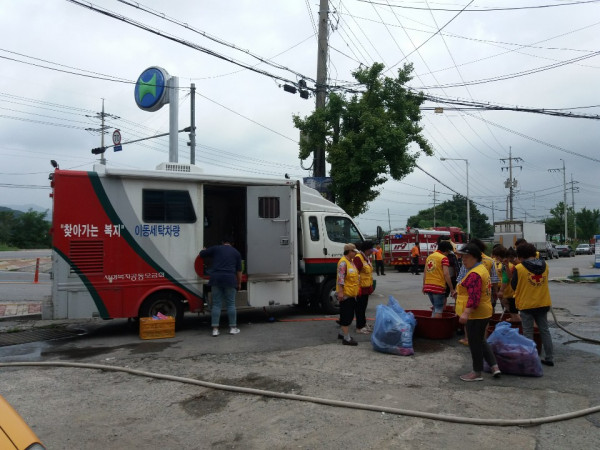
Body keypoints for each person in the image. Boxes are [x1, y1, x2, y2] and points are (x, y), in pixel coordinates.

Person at [455, 243, 501, 381]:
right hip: (484, 311)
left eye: (466, 257)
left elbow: (474, 298)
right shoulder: (481, 269)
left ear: (475, 258)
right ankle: (494, 367)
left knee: (474, 343)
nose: (463, 260)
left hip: (476, 314)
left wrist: (465, 313)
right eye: (462, 257)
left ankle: (476, 372)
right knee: (481, 341)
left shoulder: (475, 273)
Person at [511, 243, 555, 366]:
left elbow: (514, 285)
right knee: (544, 330)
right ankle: (549, 357)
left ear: (520, 255)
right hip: (543, 302)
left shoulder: (519, 268)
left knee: (528, 332)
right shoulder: (545, 265)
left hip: (527, 304)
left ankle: (529, 359)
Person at [199, 236, 243, 337]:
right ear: (232, 243)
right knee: (231, 304)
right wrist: (239, 283)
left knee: (216, 304)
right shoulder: (236, 252)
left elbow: (201, 254)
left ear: (222, 242)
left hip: (216, 279)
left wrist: (204, 250)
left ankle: (215, 330)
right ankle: (233, 328)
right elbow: (239, 271)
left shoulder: (216, 248)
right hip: (230, 279)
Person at [422, 240, 456, 318]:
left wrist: (424, 286)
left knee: (435, 308)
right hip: (438, 287)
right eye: (448, 252)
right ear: (446, 250)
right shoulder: (443, 258)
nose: (448, 254)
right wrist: (451, 288)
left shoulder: (430, 256)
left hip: (428, 287)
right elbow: (446, 274)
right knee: (439, 310)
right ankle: (436, 327)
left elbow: (425, 273)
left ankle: (432, 326)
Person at [336, 243, 360, 346]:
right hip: (346, 294)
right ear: (349, 251)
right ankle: (346, 338)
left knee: (349, 315)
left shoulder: (351, 262)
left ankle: (342, 333)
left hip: (352, 294)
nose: (355, 253)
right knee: (346, 316)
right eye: (354, 252)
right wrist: (340, 293)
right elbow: (340, 279)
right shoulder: (343, 263)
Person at [354, 240, 374, 334]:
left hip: (366, 287)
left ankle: (363, 323)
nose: (372, 252)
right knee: (360, 308)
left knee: (363, 307)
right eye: (371, 250)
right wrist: (357, 288)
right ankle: (359, 327)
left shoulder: (366, 258)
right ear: (366, 249)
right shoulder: (358, 258)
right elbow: (355, 274)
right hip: (360, 288)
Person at [499, 247, 520, 322]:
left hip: (514, 292)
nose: (510, 260)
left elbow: (505, 279)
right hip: (514, 291)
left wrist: (501, 290)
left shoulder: (520, 266)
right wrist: (506, 266)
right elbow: (510, 276)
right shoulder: (512, 266)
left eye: (510, 258)